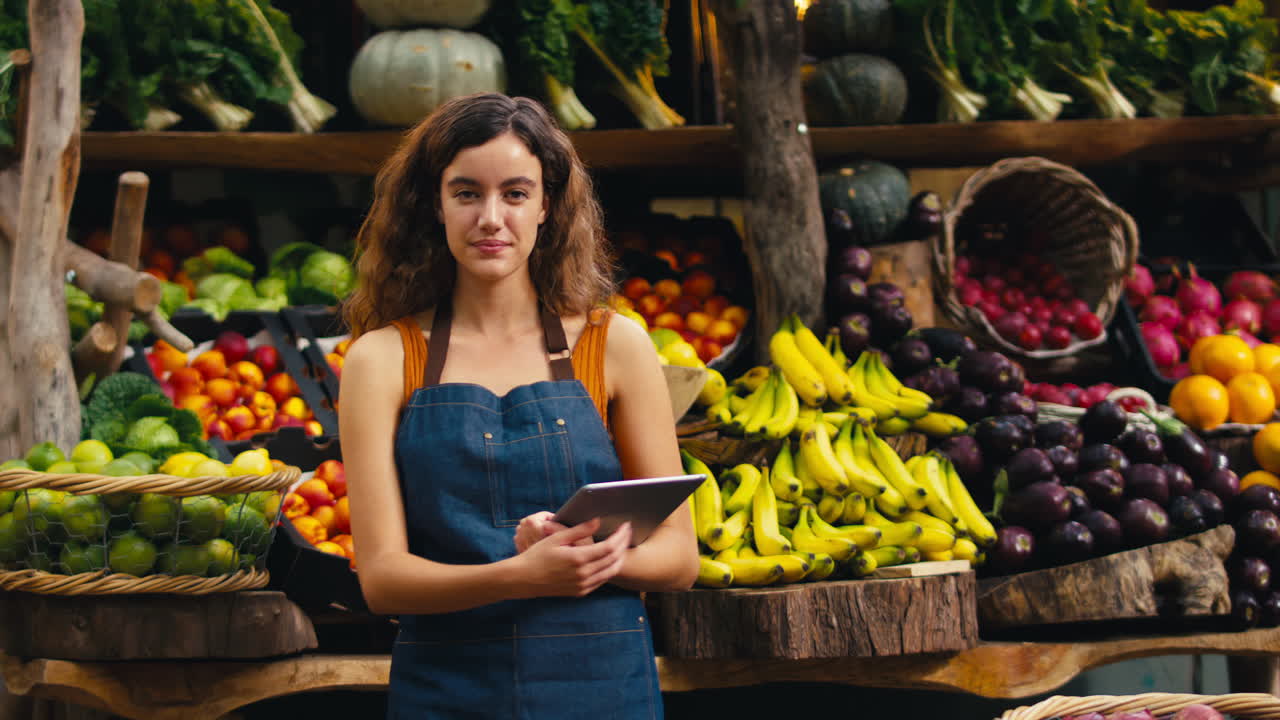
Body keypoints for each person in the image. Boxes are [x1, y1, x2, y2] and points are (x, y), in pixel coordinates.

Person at [338, 92, 700, 719]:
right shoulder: (382, 359)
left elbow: (679, 558)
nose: (491, 218)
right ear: (435, 205)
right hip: (447, 690)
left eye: (514, 193)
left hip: (601, 689)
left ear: (545, 206)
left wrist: (591, 557)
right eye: (466, 193)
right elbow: (383, 578)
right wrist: (523, 574)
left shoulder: (614, 345)